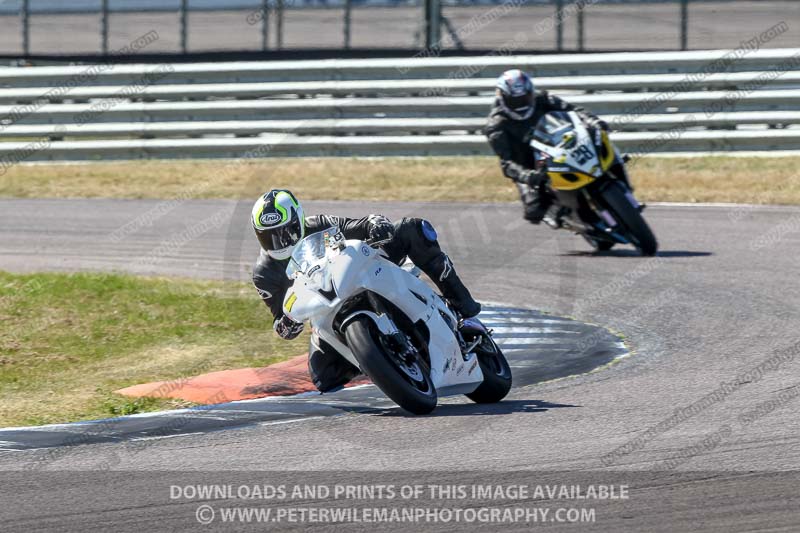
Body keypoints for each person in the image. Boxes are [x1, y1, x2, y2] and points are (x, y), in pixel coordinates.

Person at [251, 189, 481, 392]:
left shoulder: (318, 224)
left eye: (284, 232)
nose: (278, 242)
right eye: (268, 236)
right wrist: (286, 325)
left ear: (298, 220)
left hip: (357, 273)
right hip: (326, 309)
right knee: (323, 377)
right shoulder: (264, 274)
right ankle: (381, 361)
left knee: (412, 228)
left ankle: (461, 306)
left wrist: (375, 224)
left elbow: (357, 226)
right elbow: (280, 317)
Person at [484, 68, 609, 225]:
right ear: (502, 99)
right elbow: (506, 163)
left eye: (525, 98)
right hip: (529, 165)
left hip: (561, 146)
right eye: (515, 101)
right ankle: (564, 215)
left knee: (598, 140)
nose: (521, 104)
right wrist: (526, 175)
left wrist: (592, 120)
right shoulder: (496, 126)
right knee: (534, 211)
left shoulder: (543, 99)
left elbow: (572, 110)